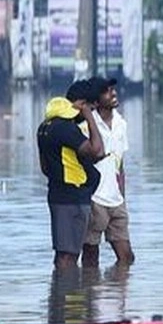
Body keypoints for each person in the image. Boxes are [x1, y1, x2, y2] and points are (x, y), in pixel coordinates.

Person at [37, 82, 104, 269]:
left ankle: (61, 294)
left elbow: (44, 167)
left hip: (58, 194)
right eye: (91, 108)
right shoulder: (65, 127)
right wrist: (90, 118)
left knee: (63, 252)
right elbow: (97, 150)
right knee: (69, 256)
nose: (91, 113)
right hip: (72, 198)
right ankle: (67, 293)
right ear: (81, 104)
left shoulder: (46, 126)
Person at [82, 76, 134, 267]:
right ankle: (90, 292)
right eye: (107, 91)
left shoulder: (121, 123)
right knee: (90, 256)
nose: (113, 93)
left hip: (116, 200)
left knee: (127, 257)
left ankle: (118, 291)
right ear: (96, 101)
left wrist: (123, 196)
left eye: (113, 89)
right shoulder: (87, 124)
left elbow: (120, 165)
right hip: (95, 199)